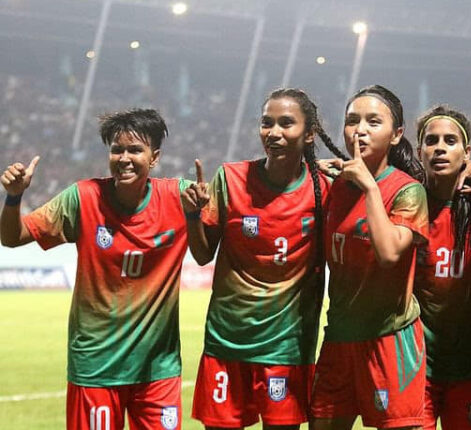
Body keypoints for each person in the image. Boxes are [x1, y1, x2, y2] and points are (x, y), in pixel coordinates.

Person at [1, 108, 190, 430]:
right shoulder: (83, 197)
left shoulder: (180, 197)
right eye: (117, 150)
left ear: (155, 157)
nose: (124, 158)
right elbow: (12, 237)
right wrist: (14, 197)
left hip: (157, 370)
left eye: (135, 150)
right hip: (96, 367)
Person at [184, 88, 346, 430]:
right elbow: (202, 254)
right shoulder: (231, 178)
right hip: (227, 342)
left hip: (286, 349)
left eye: (286, 123)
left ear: (310, 133)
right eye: (266, 123)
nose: (273, 132)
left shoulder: (325, 188)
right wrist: (193, 215)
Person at [309, 85, 429, 430]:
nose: (359, 130)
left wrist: (370, 187)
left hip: (389, 341)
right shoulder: (332, 186)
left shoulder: (407, 190)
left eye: (373, 122)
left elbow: (389, 253)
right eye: (352, 121)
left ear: (396, 134)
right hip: (339, 338)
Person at [413, 106, 471, 430]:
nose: (439, 148)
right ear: (419, 151)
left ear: (466, 151)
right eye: (431, 141)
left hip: (470, 366)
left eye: (450, 141)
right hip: (415, 367)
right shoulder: (406, 203)